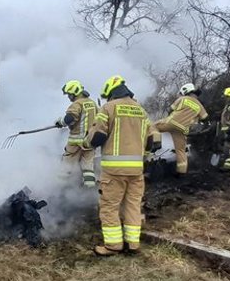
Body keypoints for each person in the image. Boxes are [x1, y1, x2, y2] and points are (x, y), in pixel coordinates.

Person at [86, 75, 160, 256]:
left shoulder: (109, 108)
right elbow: (153, 140)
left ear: (110, 92)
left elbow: (97, 138)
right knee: (133, 206)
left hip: (114, 172)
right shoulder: (141, 110)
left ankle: (113, 246)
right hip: (136, 171)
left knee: (110, 207)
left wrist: (87, 141)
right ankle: (133, 244)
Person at [154, 83, 208, 176]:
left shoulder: (182, 99)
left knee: (152, 126)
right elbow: (205, 118)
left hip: (172, 123)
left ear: (185, 91)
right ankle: (181, 172)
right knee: (180, 150)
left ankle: (155, 144)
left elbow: (170, 110)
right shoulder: (199, 105)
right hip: (182, 129)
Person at [55, 80, 98, 187]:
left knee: (67, 164)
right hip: (90, 141)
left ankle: (59, 187)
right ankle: (89, 188)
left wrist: (60, 122)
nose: (69, 97)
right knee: (88, 166)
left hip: (76, 141)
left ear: (75, 92)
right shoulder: (92, 103)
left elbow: (70, 118)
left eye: (69, 94)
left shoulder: (77, 104)